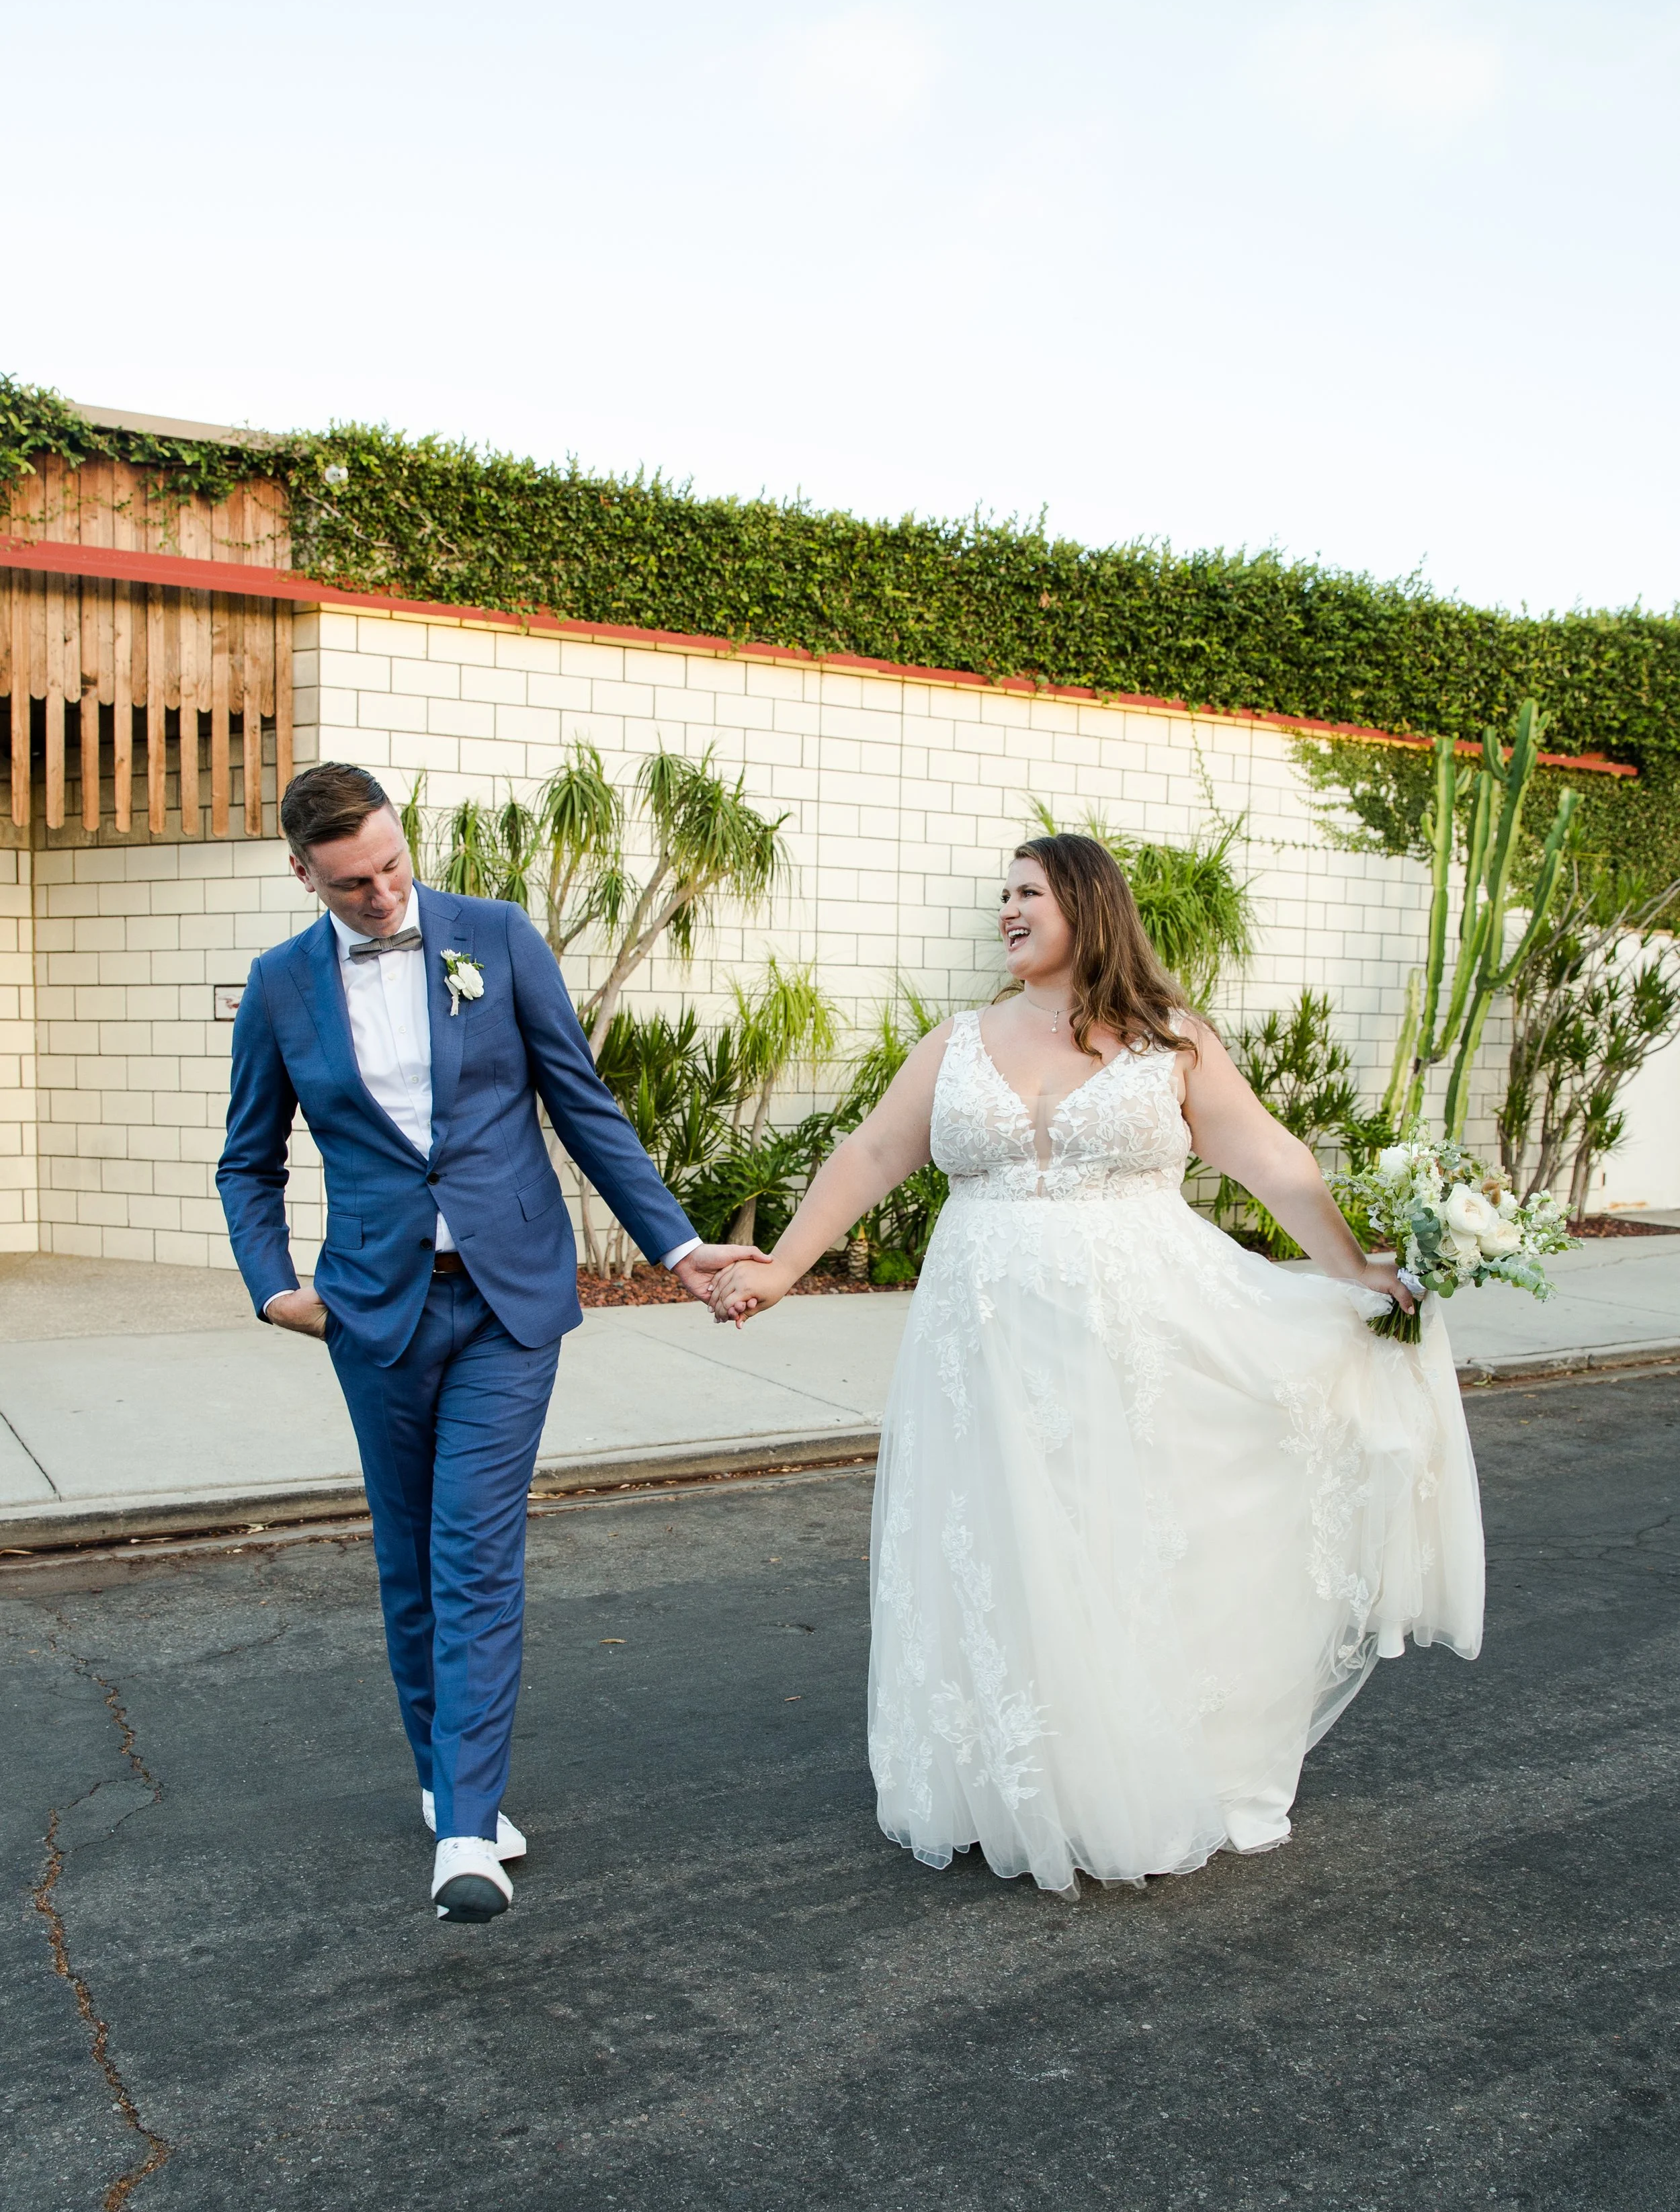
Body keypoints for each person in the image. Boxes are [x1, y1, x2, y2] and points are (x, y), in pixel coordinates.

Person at [710, 833, 1483, 1898]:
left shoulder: (1172, 1044)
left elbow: (1271, 1159)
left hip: (1134, 1337)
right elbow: (873, 1154)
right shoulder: (958, 1043)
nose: (1006, 911)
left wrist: (1352, 1268)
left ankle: (1127, 1773)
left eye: (1026, 892)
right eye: (1002, 896)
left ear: (1085, 902)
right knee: (1001, 1543)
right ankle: (1009, 1779)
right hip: (978, 1342)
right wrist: (784, 1267)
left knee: (1117, 1540)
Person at [216, 764, 761, 1923]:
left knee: (471, 1547)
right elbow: (246, 1159)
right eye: (351, 884)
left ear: (405, 841)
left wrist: (676, 1249)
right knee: (407, 1558)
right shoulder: (279, 988)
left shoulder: (497, 938)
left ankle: (465, 1829)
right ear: (303, 873)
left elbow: (582, 1102)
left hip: (509, 1298)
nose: (382, 897)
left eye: (393, 868)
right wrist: (274, 1288)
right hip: (374, 1308)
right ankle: (442, 1775)